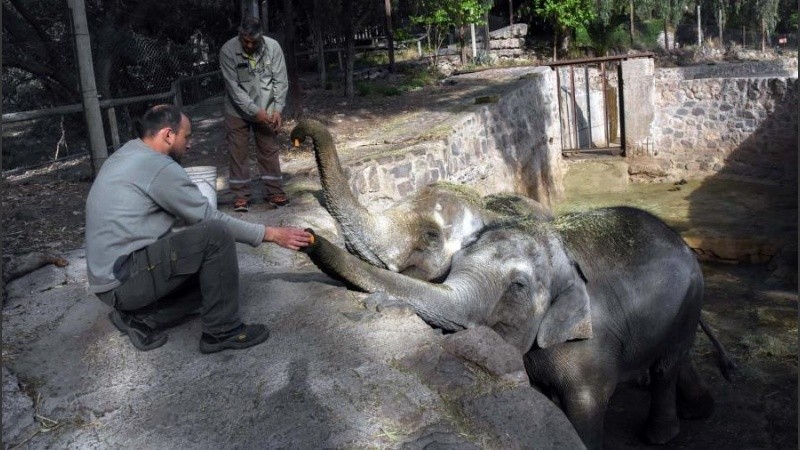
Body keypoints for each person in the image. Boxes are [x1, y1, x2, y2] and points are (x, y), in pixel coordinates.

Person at [85, 104, 313, 353]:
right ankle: (222, 331)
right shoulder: (158, 166)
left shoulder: (129, 152)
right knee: (216, 234)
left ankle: (140, 317)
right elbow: (209, 219)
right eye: (187, 136)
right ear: (168, 135)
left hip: (112, 281)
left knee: (217, 283)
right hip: (123, 280)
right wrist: (272, 234)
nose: (190, 144)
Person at [219, 17, 290, 213]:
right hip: (237, 110)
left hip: (266, 108)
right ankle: (241, 195)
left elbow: (280, 81)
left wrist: (277, 109)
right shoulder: (227, 50)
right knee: (238, 152)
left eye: (254, 41)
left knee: (269, 149)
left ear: (261, 36)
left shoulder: (273, 48)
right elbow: (234, 89)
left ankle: (275, 191)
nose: (249, 45)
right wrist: (254, 111)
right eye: (245, 40)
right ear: (239, 34)